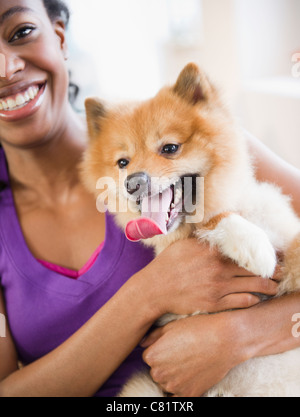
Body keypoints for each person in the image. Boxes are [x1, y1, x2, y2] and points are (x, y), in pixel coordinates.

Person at [0, 0, 299, 398]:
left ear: (57, 36)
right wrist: (147, 294)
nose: (6, 68)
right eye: (123, 163)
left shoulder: (198, 140)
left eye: (20, 32)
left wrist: (242, 333)